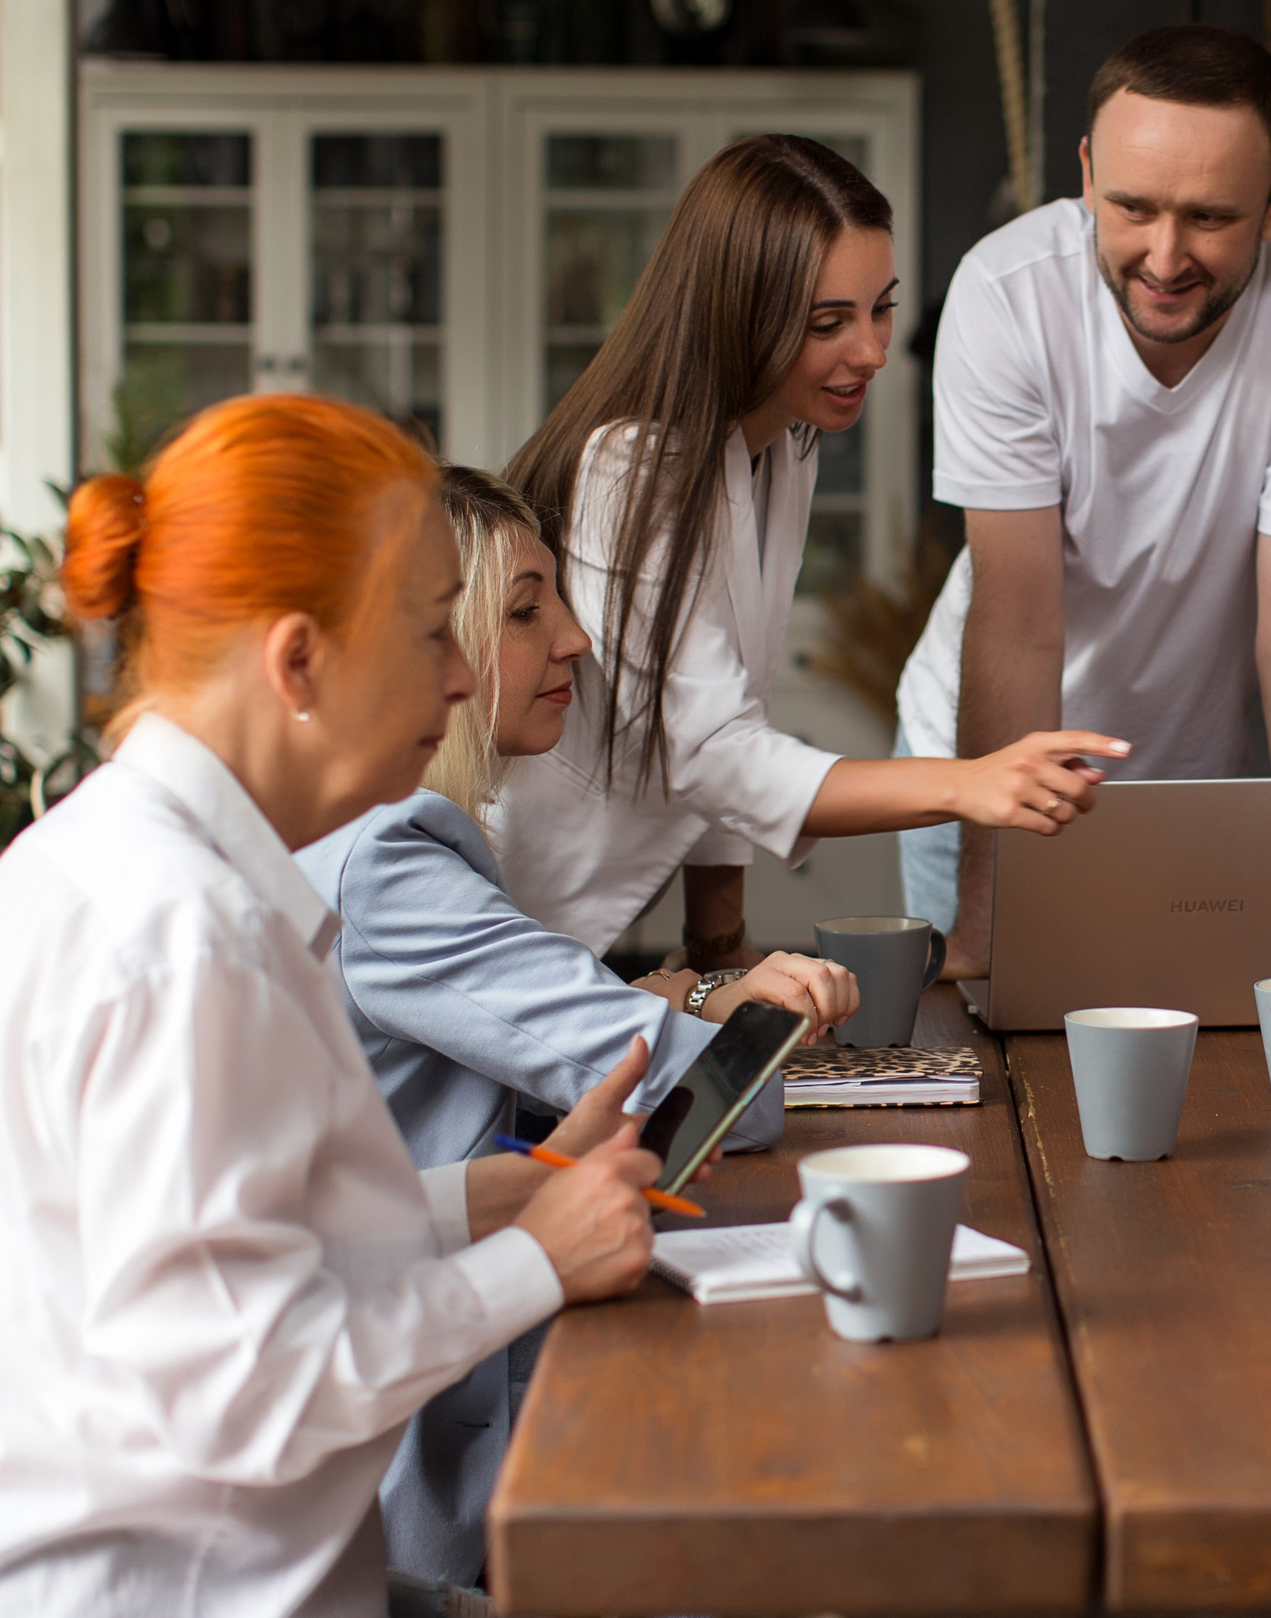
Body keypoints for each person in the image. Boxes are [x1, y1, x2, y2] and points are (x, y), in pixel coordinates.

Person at [0, 395, 664, 1615]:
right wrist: (537, 1260)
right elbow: (248, 1389)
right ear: (300, 658)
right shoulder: (189, 944)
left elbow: (205, 1256)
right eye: (435, 633)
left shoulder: (90, 859)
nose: (467, 673)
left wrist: (490, 1199)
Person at [296, 465, 860, 1587]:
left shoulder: (388, 843)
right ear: (436, 642)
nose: (577, 640)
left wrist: (694, 991)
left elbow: (590, 1020)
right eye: (524, 610)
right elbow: (713, 1104)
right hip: (449, 1452)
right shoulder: (392, 868)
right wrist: (718, 1010)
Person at [499, 135, 1126, 966]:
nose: (870, 351)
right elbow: (713, 753)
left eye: (881, 307)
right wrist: (967, 782)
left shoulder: (785, 445)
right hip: (505, 899)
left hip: (583, 925)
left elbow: (734, 706)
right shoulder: (632, 465)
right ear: (738, 312)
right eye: (829, 322)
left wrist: (720, 948)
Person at [893, 24, 1271, 969]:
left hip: (1190, 789)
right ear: (1085, 172)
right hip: (989, 772)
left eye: (1209, 217)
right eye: (1131, 207)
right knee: (998, 1077)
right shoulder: (1005, 294)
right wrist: (992, 920)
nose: (1164, 257)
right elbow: (1018, 621)